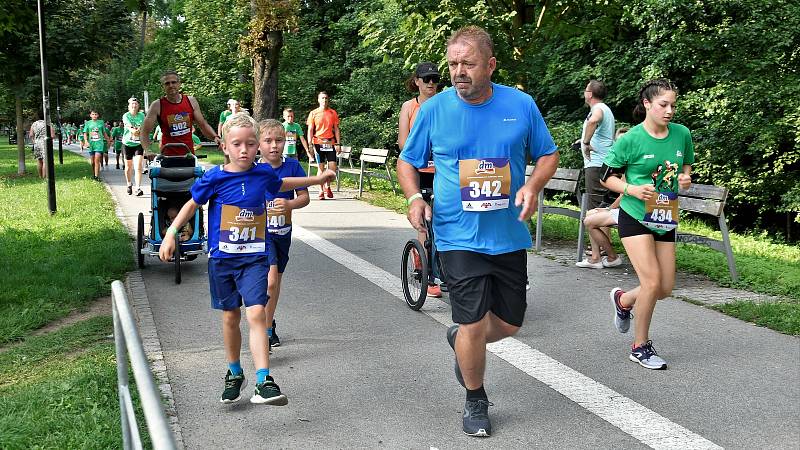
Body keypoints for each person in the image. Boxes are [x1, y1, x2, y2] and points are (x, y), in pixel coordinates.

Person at [397, 25, 558, 437]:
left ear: (490, 65)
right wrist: (416, 198)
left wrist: (533, 185)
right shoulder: (434, 110)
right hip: (456, 233)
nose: (457, 72)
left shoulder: (519, 104)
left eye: (467, 63)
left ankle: (462, 341)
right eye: (453, 64)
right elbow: (407, 161)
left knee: (508, 324)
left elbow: (548, 154)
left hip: (508, 235)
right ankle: (475, 397)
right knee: (471, 322)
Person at [158, 112, 336, 405]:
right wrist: (171, 233)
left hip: (255, 257)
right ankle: (234, 372)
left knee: (256, 312)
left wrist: (317, 179)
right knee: (231, 317)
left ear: (257, 147)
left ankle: (264, 379)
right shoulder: (214, 177)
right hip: (222, 260)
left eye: (251, 144)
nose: (245, 150)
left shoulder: (263, 174)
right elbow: (192, 204)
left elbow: (284, 184)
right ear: (224, 147)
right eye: (237, 144)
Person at [600, 78, 694, 370]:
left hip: (664, 216)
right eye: (663, 105)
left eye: (673, 106)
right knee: (651, 282)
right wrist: (631, 189)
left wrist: (686, 179)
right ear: (647, 104)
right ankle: (640, 347)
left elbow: (687, 166)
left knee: (664, 288)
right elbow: (607, 177)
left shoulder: (681, 134)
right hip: (635, 215)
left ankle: (624, 301)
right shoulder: (631, 139)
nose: (669, 111)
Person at [258, 119, 312, 348]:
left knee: (276, 282)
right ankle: (263, 331)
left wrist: (289, 205)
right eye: (268, 141)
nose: (274, 146)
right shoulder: (254, 169)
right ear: (258, 144)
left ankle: (269, 324)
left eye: (279, 140)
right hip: (261, 235)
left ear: (286, 142)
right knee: (270, 282)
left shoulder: (292, 167)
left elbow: (304, 197)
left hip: (283, 233)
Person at [398, 61, 443, 298]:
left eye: (435, 79)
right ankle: (425, 269)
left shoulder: (445, 104)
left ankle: (447, 267)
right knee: (426, 220)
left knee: (445, 218)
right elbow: (404, 144)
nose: (432, 84)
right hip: (420, 170)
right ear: (416, 81)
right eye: (427, 80)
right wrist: (424, 152)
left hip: (443, 171)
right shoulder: (409, 107)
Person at [577, 126, 629, 268]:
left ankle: (611, 257)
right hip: (618, 204)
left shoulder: (632, 162)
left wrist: (608, 210)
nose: (621, 144)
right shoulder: (617, 159)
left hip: (629, 208)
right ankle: (596, 257)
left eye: (624, 141)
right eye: (618, 141)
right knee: (590, 214)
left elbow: (625, 194)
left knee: (592, 219)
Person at [140, 70, 220, 157]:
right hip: (167, 156)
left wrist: (215, 137)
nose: (171, 85)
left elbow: (203, 125)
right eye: (167, 83)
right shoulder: (157, 105)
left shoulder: (191, 101)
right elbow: (144, 132)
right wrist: (148, 150)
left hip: (189, 155)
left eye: (173, 82)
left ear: (179, 84)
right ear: (163, 86)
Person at [581, 80, 615, 210]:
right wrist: (582, 140)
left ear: (589, 94)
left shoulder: (598, 108)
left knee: (595, 211)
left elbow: (593, 121)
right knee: (602, 208)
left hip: (597, 165)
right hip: (602, 164)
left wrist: (586, 143)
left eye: (585, 90)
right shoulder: (604, 108)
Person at [306, 91, 341, 199]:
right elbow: (310, 130)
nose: (324, 100)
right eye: (322, 98)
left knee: (332, 168)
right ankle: (321, 191)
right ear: (318, 100)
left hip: (330, 143)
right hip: (318, 143)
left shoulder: (332, 113)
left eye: (326, 98)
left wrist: (338, 143)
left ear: (328, 99)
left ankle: (328, 186)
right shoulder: (313, 113)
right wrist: (310, 145)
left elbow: (336, 129)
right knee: (321, 168)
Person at [122, 97, 147, 196]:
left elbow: (144, 126)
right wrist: (134, 130)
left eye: (136, 104)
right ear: (129, 106)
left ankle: (138, 188)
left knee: (138, 166)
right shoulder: (126, 116)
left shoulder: (141, 115)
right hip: (127, 143)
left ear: (138, 106)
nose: (134, 105)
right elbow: (129, 127)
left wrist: (140, 130)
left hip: (138, 144)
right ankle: (129, 184)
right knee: (128, 167)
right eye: (132, 104)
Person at [82, 110, 111, 180]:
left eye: (96, 114)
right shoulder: (88, 123)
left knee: (97, 160)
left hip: (99, 144)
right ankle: (94, 174)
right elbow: (85, 133)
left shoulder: (101, 122)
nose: (94, 116)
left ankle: (96, 176)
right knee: (92, 162)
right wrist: (86, 141)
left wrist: (108, 140)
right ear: (90, 115)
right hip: (91, 144)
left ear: (98, 115)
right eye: (93, 114)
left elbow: (104, 132)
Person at [28, 111, 55, 178]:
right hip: (45, 143)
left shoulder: (34, 124)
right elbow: (52, 135)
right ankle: (45, 176)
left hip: (37, 143)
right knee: (45, 161)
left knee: (39, 160)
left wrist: (34, 141)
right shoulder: (48, 123)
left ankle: (40, 176)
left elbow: (31, 135)